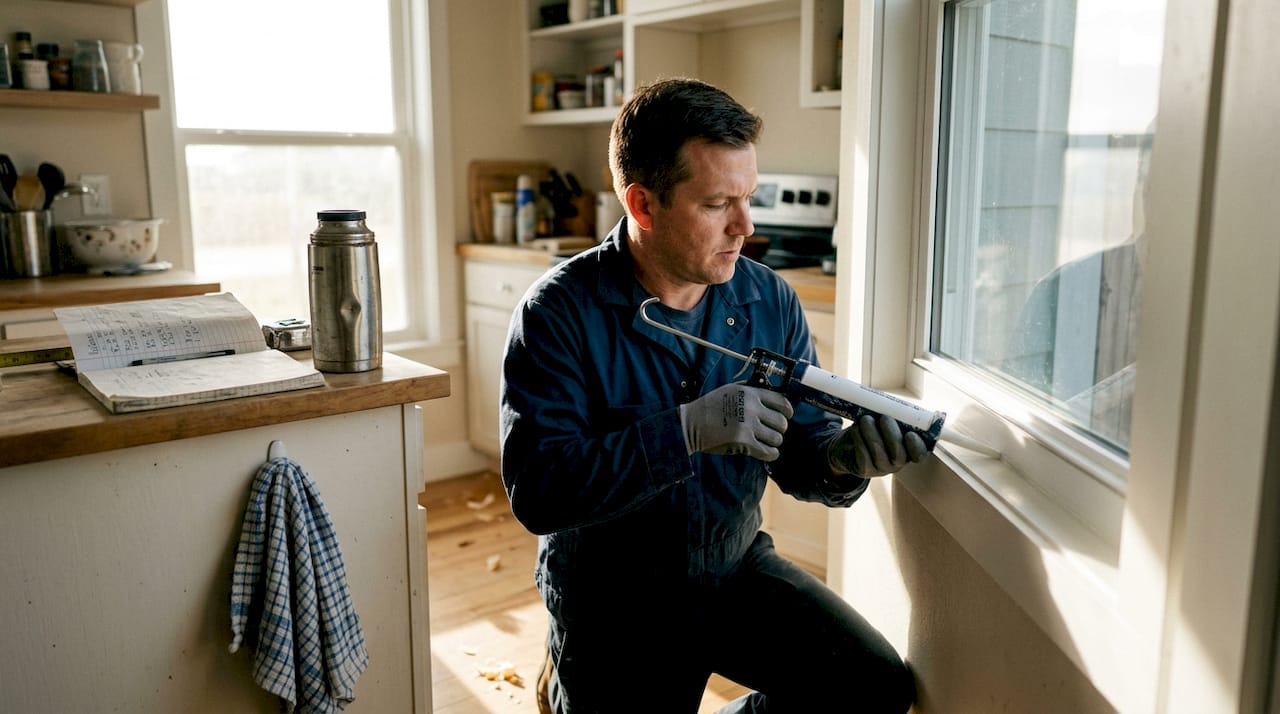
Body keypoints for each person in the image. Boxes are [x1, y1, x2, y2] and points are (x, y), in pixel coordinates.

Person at [500, 77, 929, 714]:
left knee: (874, 687)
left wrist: (843, 460)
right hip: (615, 598)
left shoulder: (768, 299)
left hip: (731, 567)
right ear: (642, 205)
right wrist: (684, 432)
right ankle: (570, 672)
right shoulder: (556, 313)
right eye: (716, 204)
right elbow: (540, 493)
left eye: (747, 197)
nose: (745, 226)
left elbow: (802, 451)